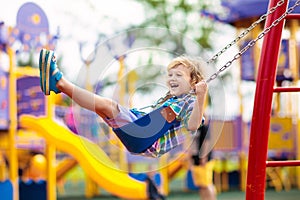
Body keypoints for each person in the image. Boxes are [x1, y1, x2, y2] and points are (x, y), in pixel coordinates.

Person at [39, 48, 208, 158]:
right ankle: (58, 86)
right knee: (101, 108)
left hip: (147, 138)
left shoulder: (191, 102)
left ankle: (60, 82)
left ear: (193, 82)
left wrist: (201, 97)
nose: (172, 78)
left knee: (107, 106)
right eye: (170, 75)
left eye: (178, 75)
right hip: (141, 132)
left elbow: (193, 125)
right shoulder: (174, 100)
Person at [189, 118, 216, 200]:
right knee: (201, 184)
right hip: (196, 159)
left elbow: (206, 142)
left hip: (204, 160)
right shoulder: (195, 129)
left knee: (207, 184)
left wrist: (203, 157)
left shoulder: (205, 128)